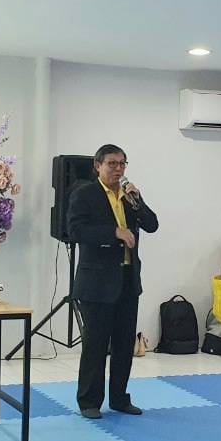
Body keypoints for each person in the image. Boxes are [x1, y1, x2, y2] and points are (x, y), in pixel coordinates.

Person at [67, 144, 159, 419]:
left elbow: (152, 225)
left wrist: (138, 202)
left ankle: (120, 398)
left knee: (123, 344)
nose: (118, 169)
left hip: (127, 280)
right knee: (95, 345)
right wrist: (114, 232)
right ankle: (89, 401)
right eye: (112, 163)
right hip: (96, 282)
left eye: (122, 163)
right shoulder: (85, 194)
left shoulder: (130, 196)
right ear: (98, 166)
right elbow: (76, 230)